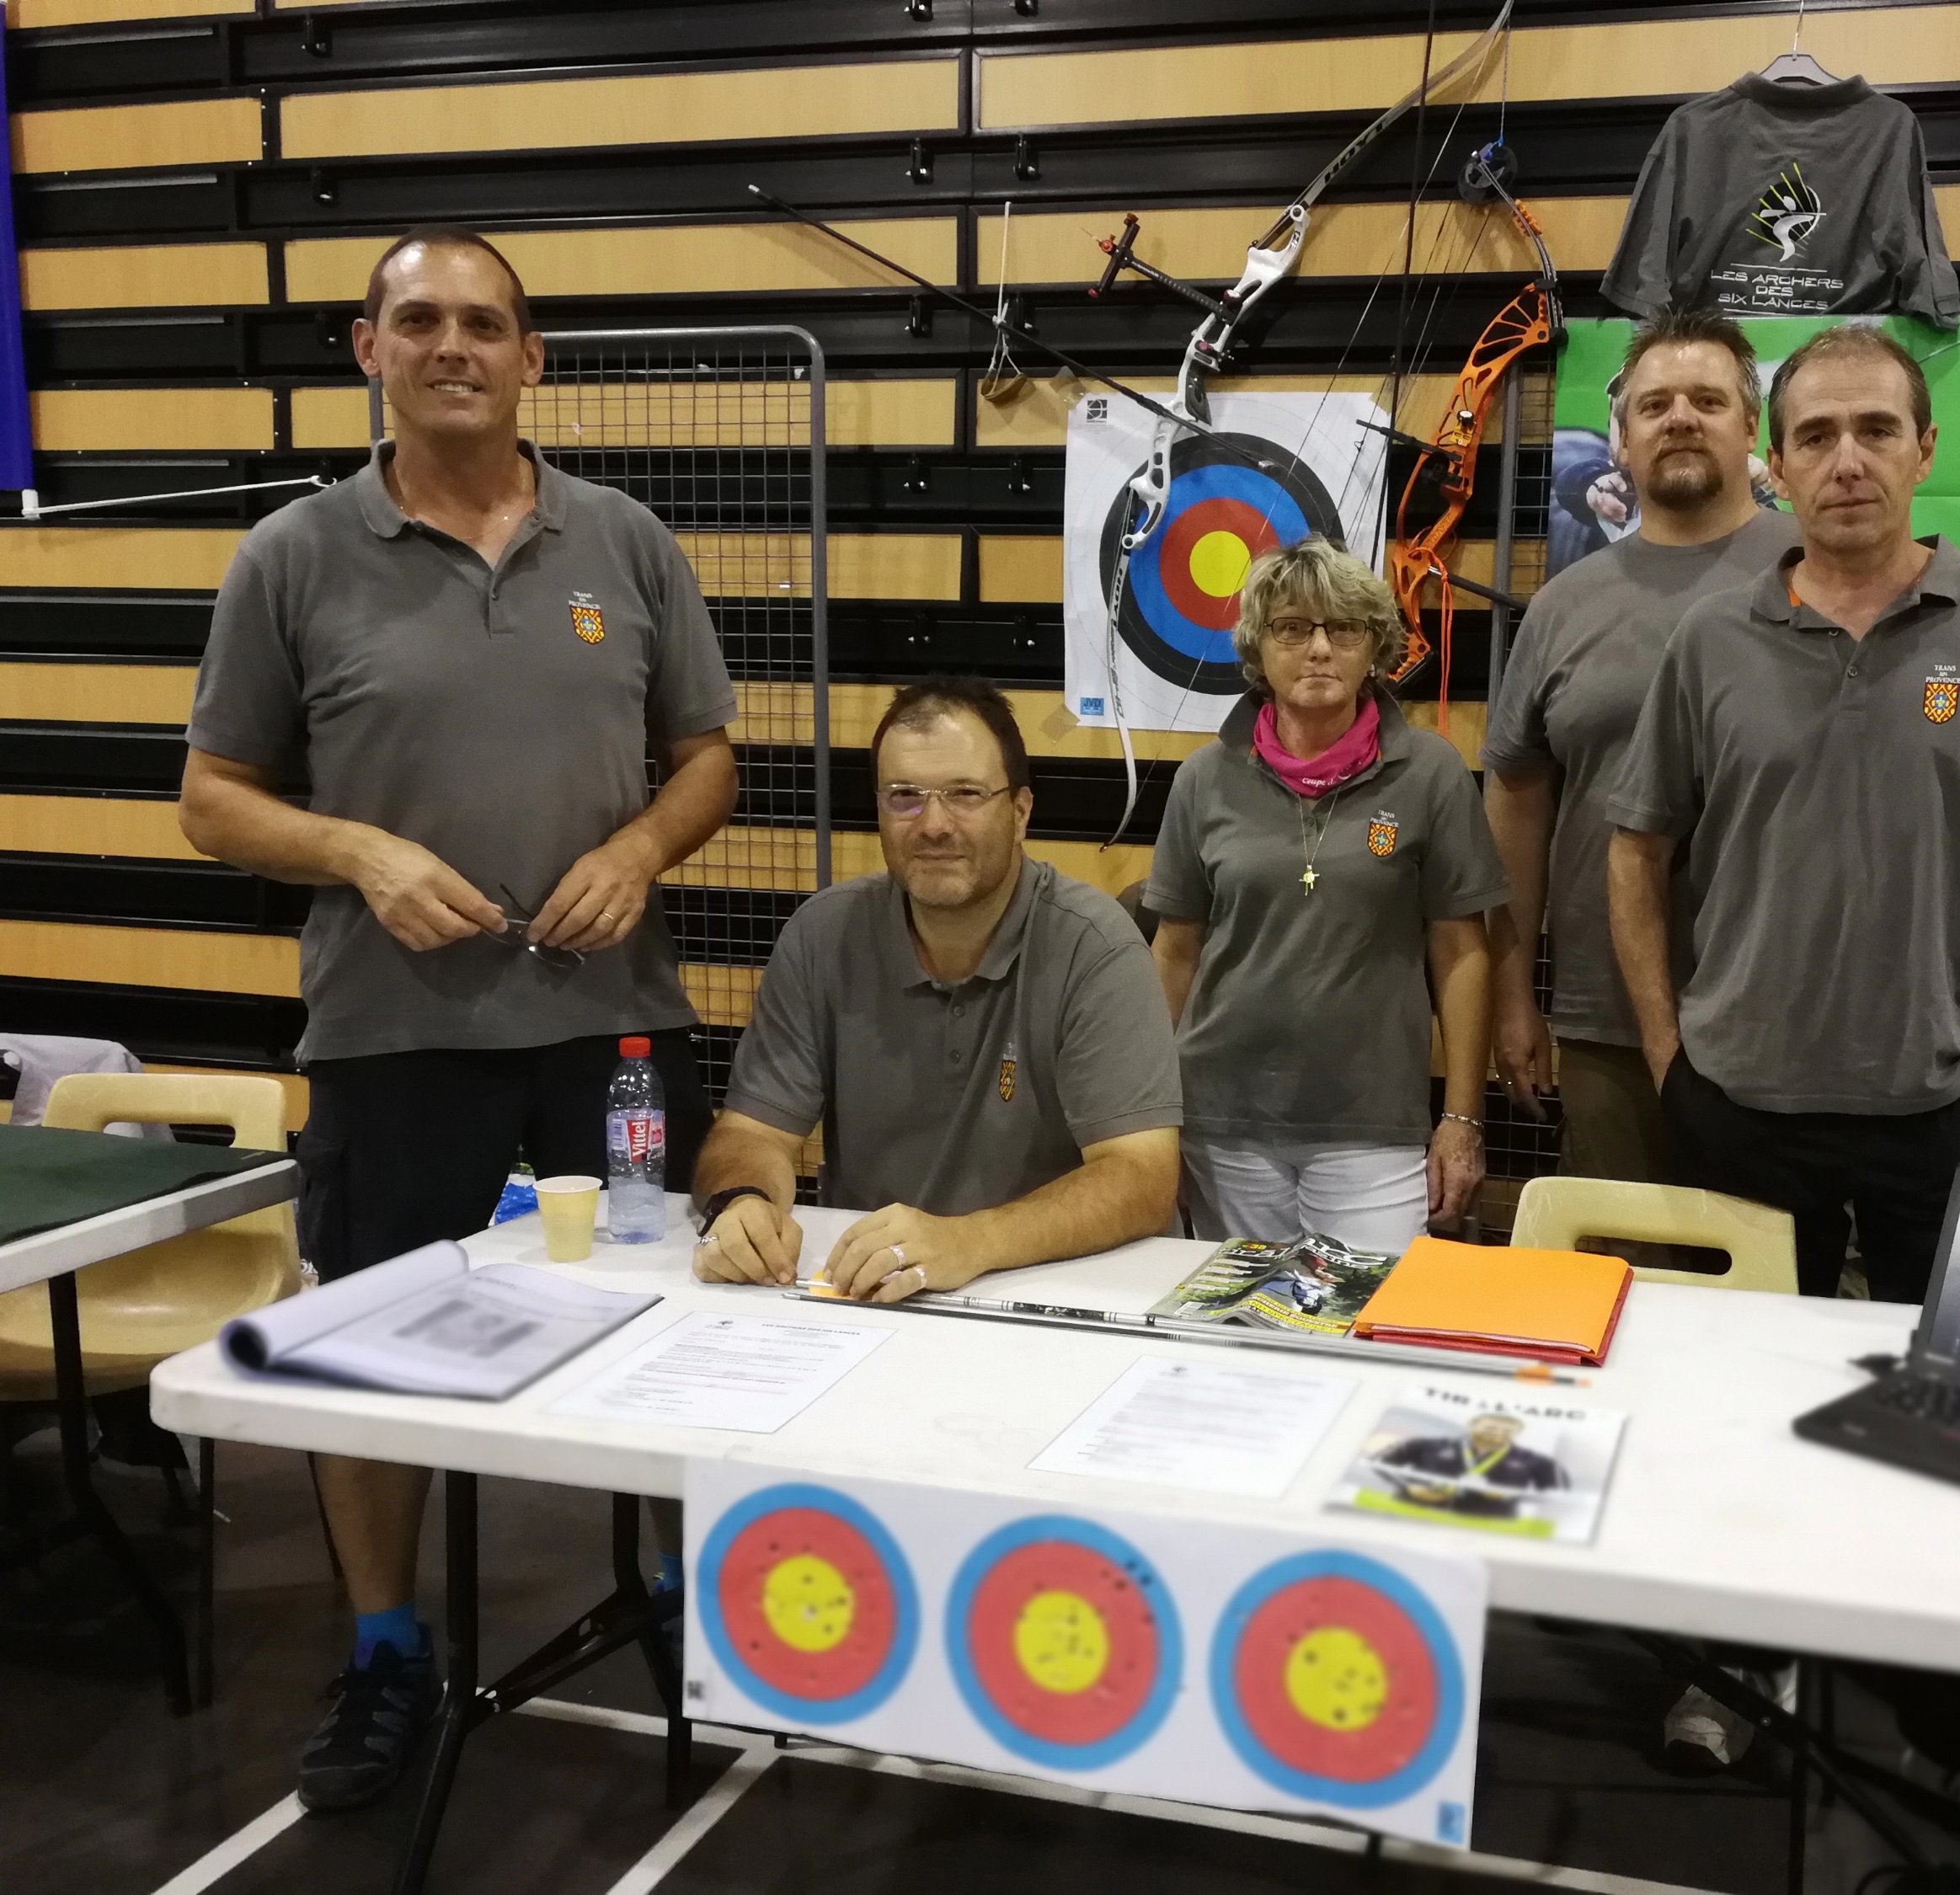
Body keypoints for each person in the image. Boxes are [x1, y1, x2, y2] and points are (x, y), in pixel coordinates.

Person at [177, 227, 740, 1811]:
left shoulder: (626, 542)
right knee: (369, 1352)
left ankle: (679, 1602)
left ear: (530, 357)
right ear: (368, 350)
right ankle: (385, 1650)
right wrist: (360, 852)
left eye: (484, 324)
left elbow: (707, 759)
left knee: (669, 1323)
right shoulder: (291, 557)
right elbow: (211, 801)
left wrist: (641, 850)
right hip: (392, 1034)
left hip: (616, 1031)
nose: (452, 347)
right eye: (418, 320)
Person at [1487, 306, 1960, 1201]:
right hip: (1617, 1020)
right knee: (1635, 1272)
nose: (1680, 419)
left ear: (1753, 437)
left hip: (1849, 1047)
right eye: (1654, 404)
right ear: (1619, 438)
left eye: (1707, 400)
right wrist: (1514, 994)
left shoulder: (1844, 555)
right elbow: (1519, 802)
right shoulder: (1564, 606)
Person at [1605, 322, 1960, 1303]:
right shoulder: (1710, 640)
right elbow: (1636, 850)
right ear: (1776, 465)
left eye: (1877, 430)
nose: (1847, 461)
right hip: (1738, 1103)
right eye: (1816, 436)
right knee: (1740, 1385)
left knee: (1939, 1388)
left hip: (1952, 1100)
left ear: (1924, 451)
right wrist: (1669, 1059)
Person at [689, 676, 1180, 1299]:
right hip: (869, 1291)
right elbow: (752, 1134)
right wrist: (743, 1202)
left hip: (1052, 1289)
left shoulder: (1096, 946)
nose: (933, 824)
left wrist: (972, 1241)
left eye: (965, 794)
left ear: (1020, 811)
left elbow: (1142, 1175)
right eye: (904, 796)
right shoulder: (823, 935)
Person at [1146, 537, 1506, 1255]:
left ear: (1374, 646)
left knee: (1370, 1318)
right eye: (1292, 628)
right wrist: (1150, 1116)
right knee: (1243, 1317)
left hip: (1372, 1125)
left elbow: (1462, 952)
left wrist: (1463, 1119)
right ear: (1258, 646)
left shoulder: (1430, 772)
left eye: (1343, 628)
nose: (1318, 649)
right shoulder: (1203, 779)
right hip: (1222, 1123)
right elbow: (1176, 953)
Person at [1375, 1411, 1569, 1521]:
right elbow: (1378, 1462)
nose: (1499, 1433)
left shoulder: (1535, 1460)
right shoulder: (1425, 1444)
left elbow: (1559, 1493)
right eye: (1491, 1427)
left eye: (1508, 1430)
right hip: (1415, 1513)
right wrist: (1409, 1486)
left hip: (1488, 1523)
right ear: (1472, 1425)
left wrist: (1510, 1496)